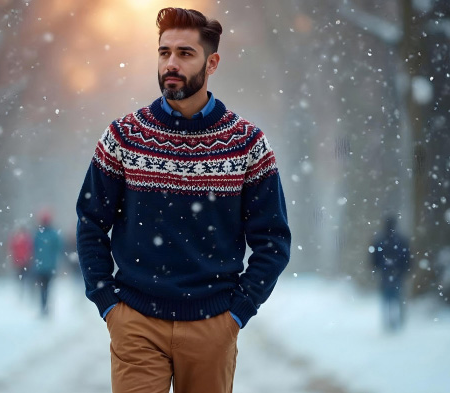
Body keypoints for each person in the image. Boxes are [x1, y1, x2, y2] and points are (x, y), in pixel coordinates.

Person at [76, 7, 291, 393]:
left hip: (213, 324)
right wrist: (107, 302)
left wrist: (237, 313)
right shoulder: (123, 137)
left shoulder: (247, 144)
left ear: (212, 63)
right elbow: (90, 221)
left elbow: (273, 241)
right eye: (164, 52)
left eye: (185, 54)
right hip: (136, 321)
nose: (170, 63)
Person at [371, 215, 411, 331]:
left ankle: (388, 322)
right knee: (397, 298)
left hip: (385, 273)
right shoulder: (401, 240)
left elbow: (374, 257)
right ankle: (397, 322)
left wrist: (376, 267)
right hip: (397, 273)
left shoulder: (379, 240)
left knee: (387, 299)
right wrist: (405, 269)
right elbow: (407, 256)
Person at [32, 210, 62, 316]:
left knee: (44, 288)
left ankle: (44, 307)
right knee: (45, 288)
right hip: (46, 266)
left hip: (44, 266)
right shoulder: (50, 234)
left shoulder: (39, 234)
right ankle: (44, 307)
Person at [8, 224, 33, 297]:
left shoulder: (25, 239)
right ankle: (22, 291)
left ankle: (25, 291)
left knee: (25, 277)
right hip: (20, 262)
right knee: (21, 278)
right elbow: (12, 250)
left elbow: (30, 249)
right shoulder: (16, 239)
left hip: (25, 262)